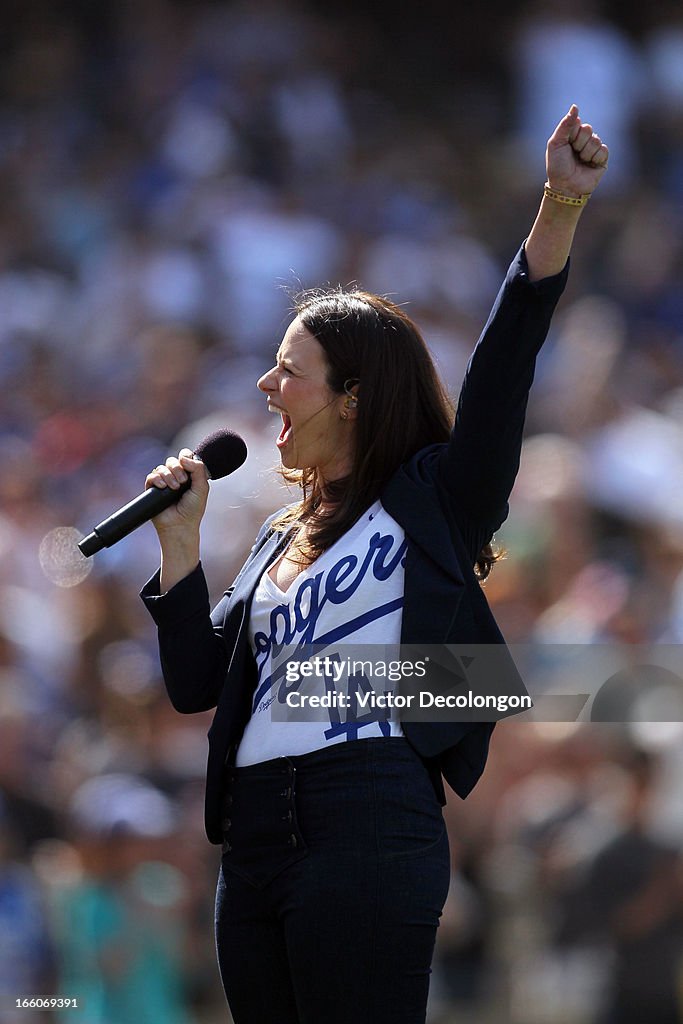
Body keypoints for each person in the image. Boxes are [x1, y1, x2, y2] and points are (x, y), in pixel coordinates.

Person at [140, 105, 609, 1024]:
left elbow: (503, 370)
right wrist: (182, 548)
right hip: (255, 830)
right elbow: (196, 685)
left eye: (289, 370)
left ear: (351, 398)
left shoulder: (434, 497)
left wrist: (557, 205)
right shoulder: (279, 534)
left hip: (368, 814)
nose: (267, 389)